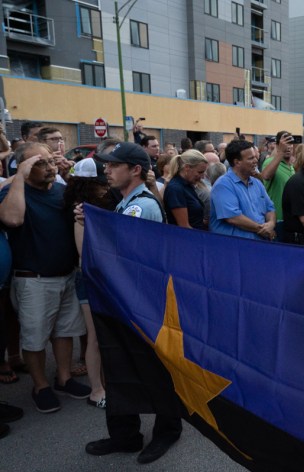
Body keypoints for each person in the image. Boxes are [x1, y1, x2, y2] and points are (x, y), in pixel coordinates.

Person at [85, 141, 182, 465]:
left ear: (135, 169)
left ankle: (167, 430)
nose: (106, 170)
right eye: (106, 165)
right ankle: (125, 435)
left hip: (140, 304)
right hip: (124, 301)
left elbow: (128, 257)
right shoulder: (128, 203)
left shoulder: (142, 206)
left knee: (151, 368)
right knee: (121, 365)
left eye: (113, 165)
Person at [0, 142, 90, 413]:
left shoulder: (62, 191)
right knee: (35, 337)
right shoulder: (12, 192)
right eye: (39, 163)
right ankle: (40, 385)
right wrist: (19, 176)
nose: (50, 167)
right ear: (24, 168)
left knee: (65, 331)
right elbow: (13, 219)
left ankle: (63, 378)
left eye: (51, 161)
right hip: (33, 279)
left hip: (65, 275)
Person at [64, 157, 115, 408]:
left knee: (102, 335)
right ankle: (96, 389)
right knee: (94, 336)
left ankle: (104, 383)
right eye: (100, 183)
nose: (106, 187)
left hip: (101, 279)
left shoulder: (96, 206)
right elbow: (85, 254)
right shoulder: (82, 210)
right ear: (88, 185)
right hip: (92, 279)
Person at [210, 140, 276, 240]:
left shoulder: (257, 183)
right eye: (251, 158)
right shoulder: (223, 185)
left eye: (255, 156)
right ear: (237, 162)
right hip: (235, 248)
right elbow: (233, 218)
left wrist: (271, 223)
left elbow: (270, 208)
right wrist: (262, 230)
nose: (256, 161)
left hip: (258, 244)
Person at [261, 131, 296, 237]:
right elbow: (265, 176)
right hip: (276, 220)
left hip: (289, 219)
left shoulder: (291, 167)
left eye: (290, 144)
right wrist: (280, 153)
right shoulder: (270, 162)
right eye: (285, 144)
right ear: (277, 146)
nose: (288, 147)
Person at [162, 150, 208, 229]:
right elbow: (184, 227)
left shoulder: (186, 185)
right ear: (187, 167)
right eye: (200, 172)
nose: (203, 177)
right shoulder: (175, 189)